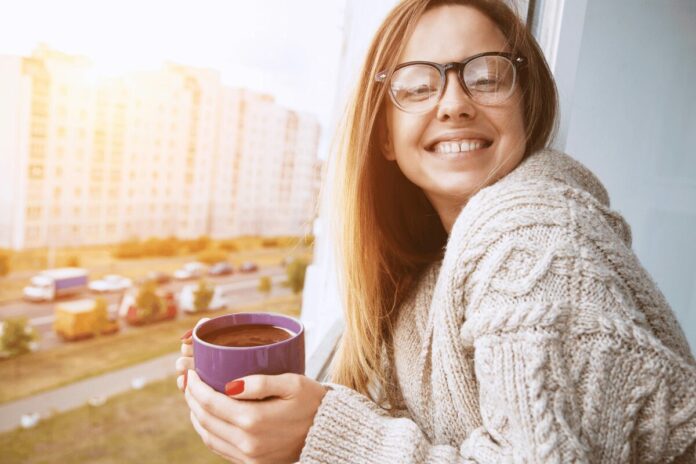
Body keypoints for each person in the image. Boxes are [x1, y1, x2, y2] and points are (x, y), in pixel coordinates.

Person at [176, 0, 696, 462]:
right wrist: (272, 417)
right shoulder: (421, 279)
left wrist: (327, 436)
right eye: (418, 86)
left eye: (487, 77)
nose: (454, 103)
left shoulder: (535, 239)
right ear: (384, 135)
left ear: (527, 104)